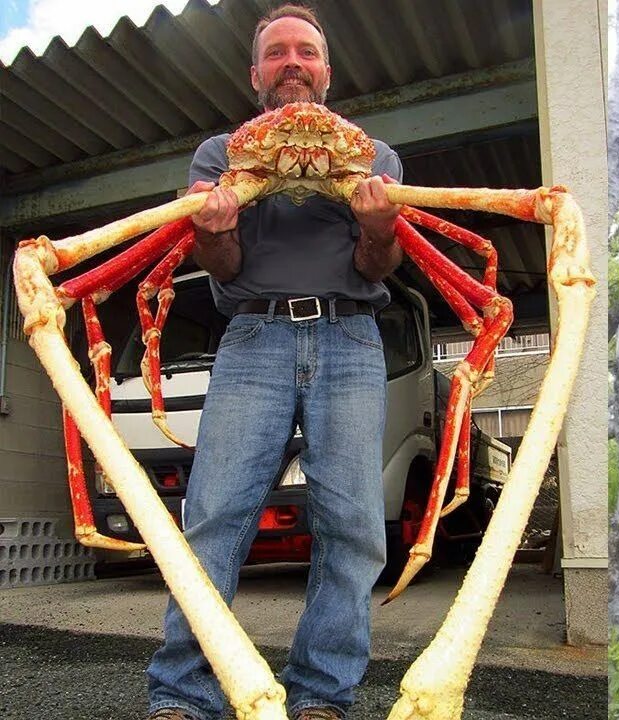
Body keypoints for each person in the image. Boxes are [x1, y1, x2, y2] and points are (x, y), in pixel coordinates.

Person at [145, 6, 403, 720]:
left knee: (353, 524)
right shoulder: (220, 154)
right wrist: (211, 229)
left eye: (307, 51)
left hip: (351, 339)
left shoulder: (373, 155)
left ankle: (323, 694)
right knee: (214, 515)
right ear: (256, 73)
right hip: (253, 340)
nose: (293, 62)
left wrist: (382, 225)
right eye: (278, 52)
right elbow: (220, 266)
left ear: (326, 70)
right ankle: (184, 692)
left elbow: (378, 262)